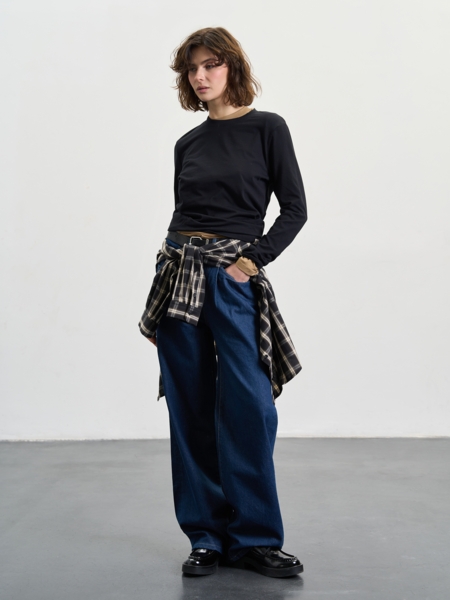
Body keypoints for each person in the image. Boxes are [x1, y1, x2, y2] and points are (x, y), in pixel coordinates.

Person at [138, 26, 307, 578]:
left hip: (232, 279)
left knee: (251, 405)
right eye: (192, 68)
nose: (200, 75)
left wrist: (247, 265)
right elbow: (183, 215)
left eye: (211, 64)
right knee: (189, 406)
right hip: (178, 277)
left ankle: (255, 538)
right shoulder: (187, 144)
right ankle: (206, 536)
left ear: (233, 66)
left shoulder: (268, 128)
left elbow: (295, 210)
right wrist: (168, 281)